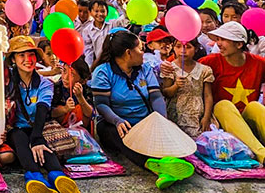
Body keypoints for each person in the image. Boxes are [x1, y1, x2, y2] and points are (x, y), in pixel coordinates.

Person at [90, 29, 194, 189]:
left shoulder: (144, 68)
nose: (143, 53)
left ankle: (169, 165)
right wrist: (117, 121)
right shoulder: (103, 72)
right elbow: (101, 104)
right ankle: (155, 167)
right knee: (116, 133)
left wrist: (161, 120)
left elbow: (156, 96)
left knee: (170, 139)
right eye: (140, 49)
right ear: (128, 53)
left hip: (145, 123)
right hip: (117, 124)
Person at [3, 36, 80, 193]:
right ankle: (35, 178)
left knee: (43, 146)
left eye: (31, 54)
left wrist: (37, 138)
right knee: (20, 139)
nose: (28, 59)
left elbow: (42, 109)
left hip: (39, 126)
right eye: (21, 55)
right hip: (15, 128)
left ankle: (58, 177)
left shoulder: (45, 83)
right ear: (13, 59)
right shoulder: (6, 80)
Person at [199, 21, 265, 163]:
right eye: (218, 39)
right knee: (223, 105)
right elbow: (186, 68)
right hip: (220, 124)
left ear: (239, 44)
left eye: (224, 40)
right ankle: (262, 155)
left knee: (255, 106)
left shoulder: (259, 63)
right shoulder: (210, 62)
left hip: (246, 120)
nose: (219, 44)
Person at [160, 38, 213, 138]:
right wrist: (176, 86)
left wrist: (206, 117)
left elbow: (207, 95)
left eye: (188, 47)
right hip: (176, 114)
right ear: (173, 48)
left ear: (196, 49)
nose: (183, 51)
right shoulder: (170, 68)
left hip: (197, 114)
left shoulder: (204, 70)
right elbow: (166, 93)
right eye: (178, 46)